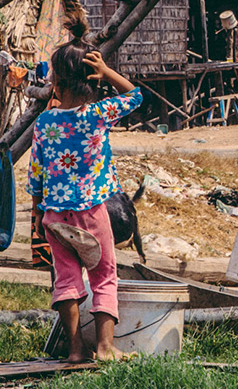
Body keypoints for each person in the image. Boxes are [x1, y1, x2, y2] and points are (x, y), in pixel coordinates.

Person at [28, 18, 142, 362]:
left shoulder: (45, 121)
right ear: (91, 81)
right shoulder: (97, 114)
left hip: (54, 214)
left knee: (65, 279)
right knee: (104, 274)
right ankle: (105, 347)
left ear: (57, 83)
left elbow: (36, 173)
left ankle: (76, 349)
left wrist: (37, 213)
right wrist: (107, 71)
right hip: (91, 211)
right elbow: (136, 95)